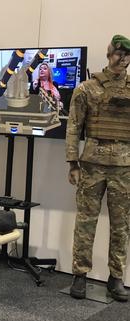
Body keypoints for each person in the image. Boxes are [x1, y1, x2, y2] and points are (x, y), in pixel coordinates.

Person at [66, 34, 130, 302]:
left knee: (121, 226)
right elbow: (73, 127)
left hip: (124, 167)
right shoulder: (86, 89)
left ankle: (116, 278)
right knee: (85, 222)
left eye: (127, 56)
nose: (122, 59)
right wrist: (73, 163)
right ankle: (80, 275)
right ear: (108, 54)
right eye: (118, 54)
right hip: (92, 165)